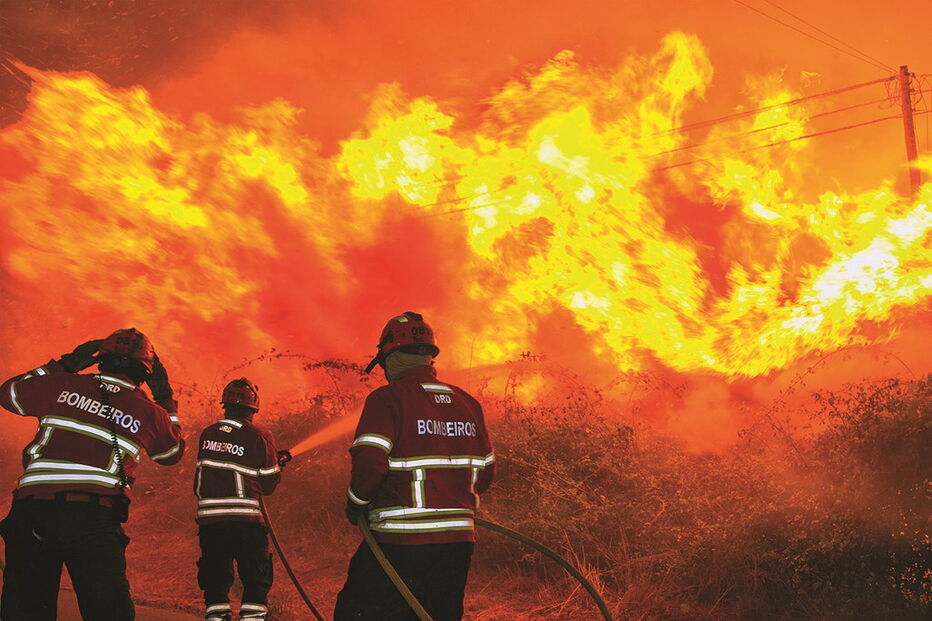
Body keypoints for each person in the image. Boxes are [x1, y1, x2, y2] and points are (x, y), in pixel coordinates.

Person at [0, 328, 185, 621]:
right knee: (108, 611)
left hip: (32, 512)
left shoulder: (62, 383)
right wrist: (165, 397)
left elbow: (9, 393)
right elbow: (171, 453)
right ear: (146, 373)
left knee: (26, 611)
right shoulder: (150, 412)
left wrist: (64, 364)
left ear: (99, 359)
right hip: (92, 520)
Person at [334, 311, 495, 621]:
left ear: (390, 357)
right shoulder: (468, 403)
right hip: (458, 541)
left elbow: (370, 464)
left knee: (357, 612)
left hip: (401, 539)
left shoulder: (387, 399)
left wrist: (356, 504)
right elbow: (486, 474)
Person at [194, 378, 288, 621]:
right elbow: (268, 484)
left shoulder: (208, 434)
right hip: (246, 523)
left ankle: (216, 616)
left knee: (215, 577)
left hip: (211, 523)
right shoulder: (260, 436)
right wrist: (276, 464)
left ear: (225, 405)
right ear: (253, 409)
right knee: (256, 577)